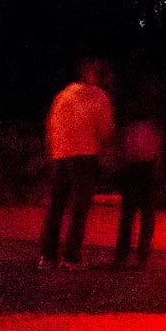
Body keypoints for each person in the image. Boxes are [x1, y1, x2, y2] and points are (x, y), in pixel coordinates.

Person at [40, 60, 115, 270]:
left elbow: (50, 126)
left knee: (55, 206)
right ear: (94, 75)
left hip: (60, 154)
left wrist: (54, 149)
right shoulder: (99, 97)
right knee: (78, 208)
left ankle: (47, 256)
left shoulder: (63, 96)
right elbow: (106, 131)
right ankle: (71, 257)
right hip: (84, 156)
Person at [114, 78, 166, 269]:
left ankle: (131, 256)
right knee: (139, 215)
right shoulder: (146, 120)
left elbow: (157, 145)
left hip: (141, 167)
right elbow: (158, 145)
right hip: (139, 167)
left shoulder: (141, 120)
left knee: (135, 215)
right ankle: (133, 256)